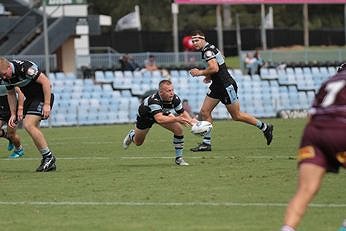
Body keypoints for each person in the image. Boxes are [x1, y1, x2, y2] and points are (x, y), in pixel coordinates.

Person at [280, 63, 346, 231]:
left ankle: (287, 228)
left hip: (313, 134)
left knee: (306, 190)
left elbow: (311, 115)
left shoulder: (329, 82)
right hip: (341, 131)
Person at [188, 30, 273, 152]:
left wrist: (200, 73)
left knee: (236, 115)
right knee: (204, 112)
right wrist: (209, 76)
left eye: (197, 40)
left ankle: (265, 127)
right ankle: (206, 144)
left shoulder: (207, 51)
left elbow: (214, 67)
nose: (194, 43)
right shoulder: (210, 48)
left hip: (226, 86)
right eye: (193, 41)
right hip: (217, 86)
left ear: (203, 39)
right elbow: (221, 58)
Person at [0, 57, 56, 172]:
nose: (4, 77)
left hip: (42, 96)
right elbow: (11, 94)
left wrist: (46, 104)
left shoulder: (24, 68)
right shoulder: (6, 76)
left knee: (28, 124)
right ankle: (47, 159)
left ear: (9, 67)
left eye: (5, 74)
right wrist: (13, 114)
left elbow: (46, 82)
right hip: (30, 99)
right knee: (32, 128)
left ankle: (49, 157)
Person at [122, 79, 196, 166]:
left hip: (161, 113)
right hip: (146, 117)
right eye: (169, 91)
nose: (172, 93)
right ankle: (132, 135)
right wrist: (177, 119)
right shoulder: (154, 101)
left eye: (172, 90)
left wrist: (193, 123)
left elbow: (182, 112)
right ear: (161, 92)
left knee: (178, 129)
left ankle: (179, 158)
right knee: (138, 142)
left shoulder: (175, 98)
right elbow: (159, 119)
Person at [0, 85, 25, 158]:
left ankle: (19, 149)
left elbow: (20, 92)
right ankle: (9, 138)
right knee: (10, 135)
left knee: (11, 133)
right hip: (1, 109)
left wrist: (20, 108)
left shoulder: (7, 79)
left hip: (12, 110)